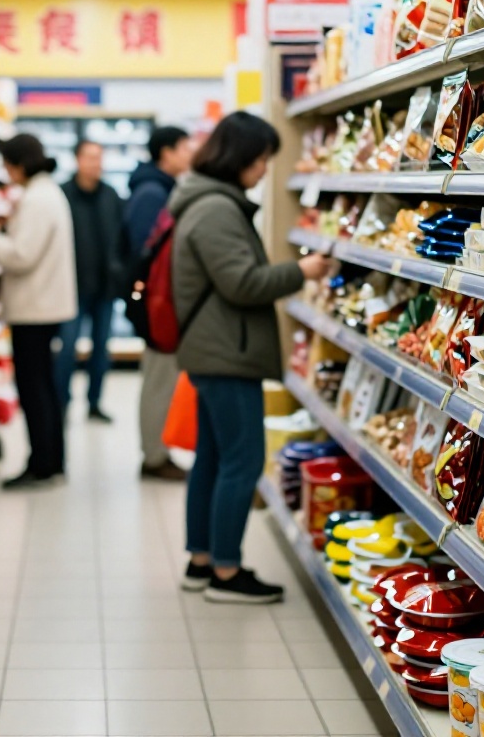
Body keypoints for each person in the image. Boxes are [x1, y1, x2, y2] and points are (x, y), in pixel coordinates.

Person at [170, 111, 334, 602]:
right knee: (241, 462)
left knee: (214, 458)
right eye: (261, 160)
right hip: (227, 353)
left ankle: (202, 560)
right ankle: (226, 572)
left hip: (216, 347)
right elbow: (242, 283)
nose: (264, 170)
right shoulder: (216, 209)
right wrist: (301, 270)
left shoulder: (205, 201)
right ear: (240, 157)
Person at [0, 134, 77, 489]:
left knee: (34, 389)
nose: (7, 172)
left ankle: (41, 464)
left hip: (35, 308)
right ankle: (52, 460)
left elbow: (21, 256)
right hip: (45, 306)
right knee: (44, 385)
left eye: (9, 165)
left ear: (20, 164)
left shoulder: (37, 199)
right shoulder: (47, 194)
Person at [123, 126, 196, 481]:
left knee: (159, 377)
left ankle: (156, 451)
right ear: (165, 153)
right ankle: (153, 455)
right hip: (158, 304)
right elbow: (148, 255)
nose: (190, 152)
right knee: (158, 380)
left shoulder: (159, 188)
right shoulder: (154, 193)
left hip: (158, 302)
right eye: (184, 147)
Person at [56, 139, 125, 423]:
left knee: (101, 349)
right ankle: (61, 402)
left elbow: (122, 239)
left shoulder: (111, 196)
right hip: (71, 288)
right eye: (90, 158)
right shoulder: (62, 195)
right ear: (77, 160)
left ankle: (94, 403)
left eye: (99, 158)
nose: (96, 164)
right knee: (67, 348)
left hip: (105, 288)